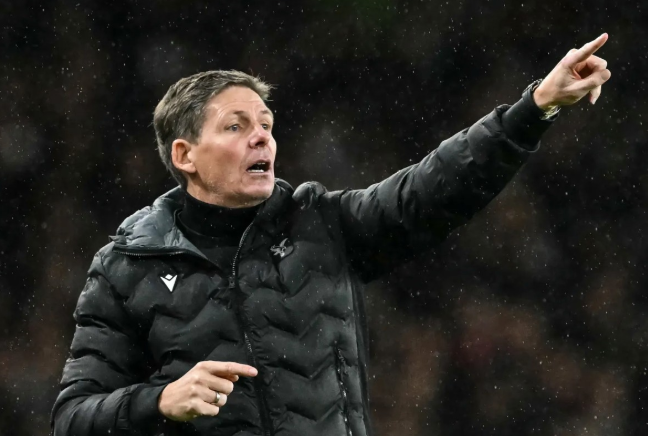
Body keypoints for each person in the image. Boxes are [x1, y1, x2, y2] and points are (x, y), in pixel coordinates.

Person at [51, 34, 611, 436]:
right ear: (185, 155)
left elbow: (431, 188)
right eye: (236, 127)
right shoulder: (126, 268)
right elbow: (73, 418)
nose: (261, 138)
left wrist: (535, 108)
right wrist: (159, 402)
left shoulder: (320, 224)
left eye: (266, 125)